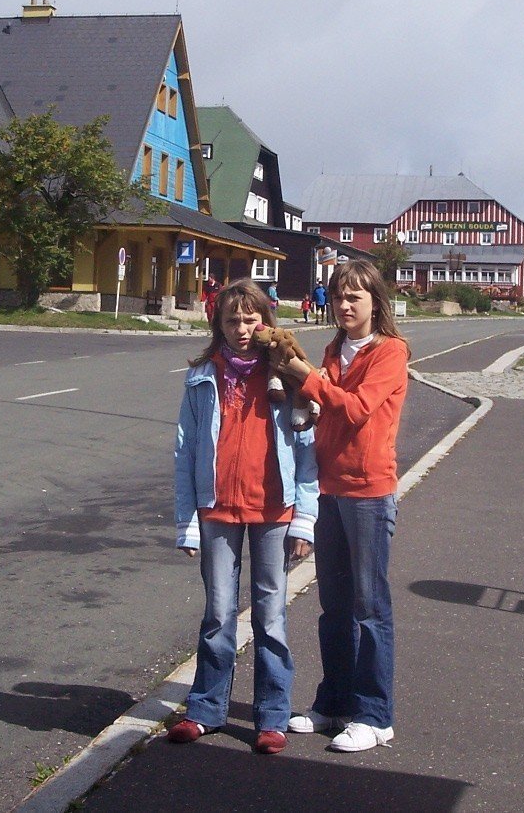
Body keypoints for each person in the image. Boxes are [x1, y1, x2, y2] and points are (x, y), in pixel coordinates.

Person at [171, 279, 318, 755]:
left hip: (274, 509)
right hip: (217, 510)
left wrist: (304, 519)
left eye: (251, 319)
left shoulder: (287, 376)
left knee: (270, 616)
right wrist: (187, 520)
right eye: (232, 320)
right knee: (217, 614)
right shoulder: (202, 378)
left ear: (266, 323)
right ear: (219, 324)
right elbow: (186, 450)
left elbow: (307, 448)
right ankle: (206, 709)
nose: (242, 328)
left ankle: (272, 717)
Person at [271, 260, 409, 753]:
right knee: (333, 607)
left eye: (356, 297)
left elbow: (353, 409)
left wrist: (306, 377)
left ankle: (376, 715)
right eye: (339, 296)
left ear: (376, 302)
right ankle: (335, 703)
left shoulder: (390, 352)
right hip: (328, 489)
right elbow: (321, 409)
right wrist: (301, 402)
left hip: (369, 492)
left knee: (370, 608)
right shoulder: (332, 349)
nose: (346, 305)